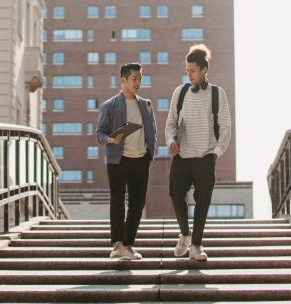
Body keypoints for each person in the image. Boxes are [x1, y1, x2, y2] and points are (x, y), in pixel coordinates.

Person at [165, 44, 232, 261]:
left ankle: (196, 245)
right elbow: (170, 124)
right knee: (175, 193)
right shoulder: (180, 92)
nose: (189, 74)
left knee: (203, 200)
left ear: (204, 69)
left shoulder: (217, 93)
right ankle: (184, 234)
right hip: (182, 156)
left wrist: (216, 153)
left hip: (205, 156)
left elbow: (226, 127)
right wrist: (170, 141)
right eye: (187, 71)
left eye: (193, 70)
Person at [96, 62, 156, 260]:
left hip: (140, 159)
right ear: (123, 80)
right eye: (134, 79)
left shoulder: (146, 105)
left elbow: (152, 132)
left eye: (140, 79)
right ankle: (118, 244)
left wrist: (149, 154)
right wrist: (110, 139)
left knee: (138, 203)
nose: (138, 83)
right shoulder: (109, 105)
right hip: (117, 160)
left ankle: (129, 244)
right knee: (117, 201)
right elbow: (100, 133)